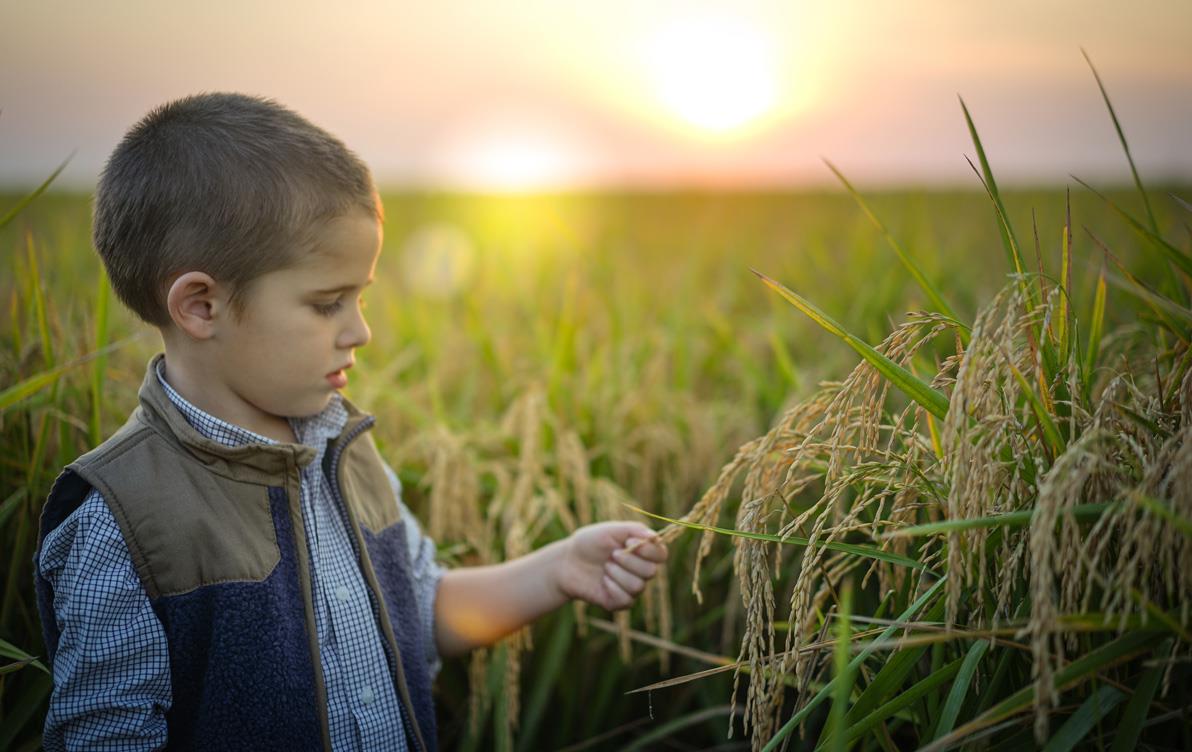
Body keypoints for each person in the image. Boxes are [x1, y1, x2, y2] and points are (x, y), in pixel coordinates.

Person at [32, 92, 668, 752]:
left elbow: (417, 611)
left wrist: (558, 570)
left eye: (359, 298)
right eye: (327, 303)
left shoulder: (346, 451)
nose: (360, 332)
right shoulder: (120, 521)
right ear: (201, 305)